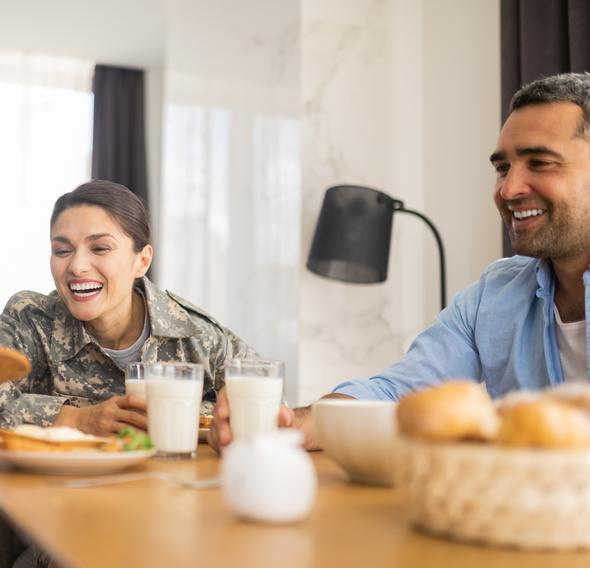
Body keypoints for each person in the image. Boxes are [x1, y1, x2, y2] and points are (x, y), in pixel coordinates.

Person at [211, 71, 590, 451]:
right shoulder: (494, 294)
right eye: (502, 167)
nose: (508, 189)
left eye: (540, 163)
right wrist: (287, 426)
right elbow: (395, 393)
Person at [0, 180, 257, 438]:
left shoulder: (195, 335)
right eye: (62, 251)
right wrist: (79, 419)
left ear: (142, 260)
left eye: (100, 248)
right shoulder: (31, 320)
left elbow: (266, 408)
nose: (77, 266)